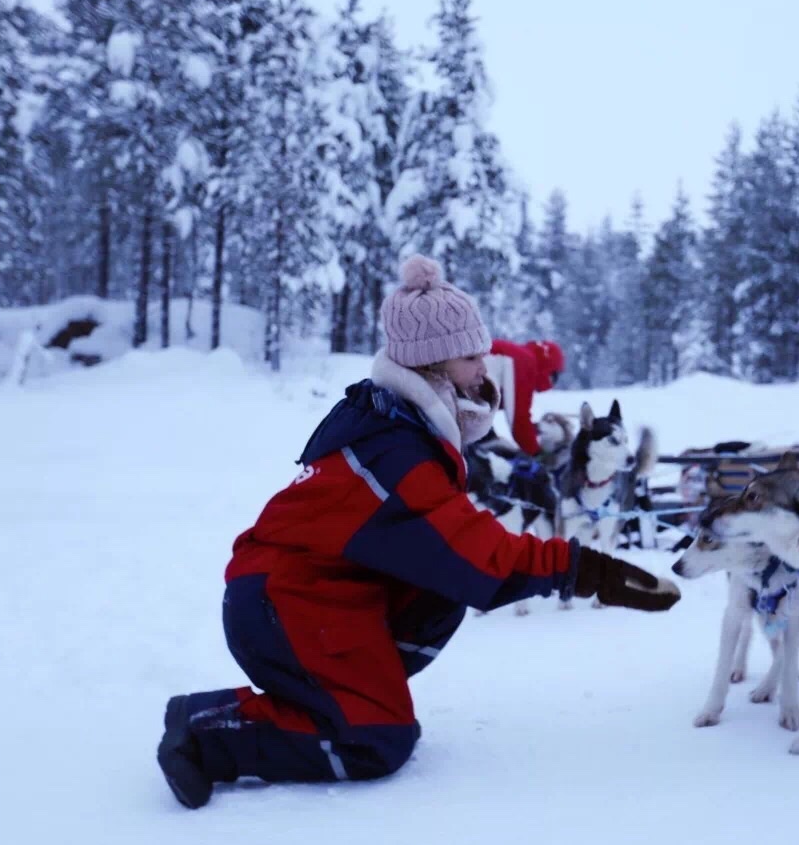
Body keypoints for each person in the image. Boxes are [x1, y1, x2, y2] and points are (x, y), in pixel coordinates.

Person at [156, 254, 680, 809]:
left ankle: (348, 694)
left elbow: (456, 554)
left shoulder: (398, 423)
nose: (486, 367)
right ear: (432, 364)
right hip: (284, 605)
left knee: (442, 587)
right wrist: (588, 570)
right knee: (375, 742)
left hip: (317, 595)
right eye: (471, 356)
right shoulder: (396, 451)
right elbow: (479, 552)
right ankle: (206, 731)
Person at [482, 338, 566, 457]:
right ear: (549, 368)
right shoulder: (525, 361)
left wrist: (531, 430)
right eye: (554, 377)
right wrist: (537, 454)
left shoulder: (517, 354)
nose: (551, 383)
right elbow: (519, 421)